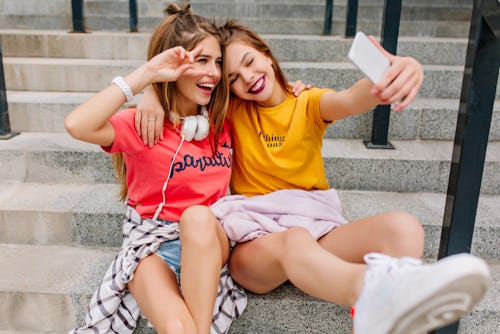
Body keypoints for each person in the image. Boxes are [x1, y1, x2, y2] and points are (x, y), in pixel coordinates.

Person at [136, 19, 491, 334]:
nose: (248, 78)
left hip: (317, 230)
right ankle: (373, 291)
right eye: (233, 78)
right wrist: (152, 93)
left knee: (404, 227)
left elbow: (352, 99)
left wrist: (400, 70)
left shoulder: (307, 104)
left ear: (267, 55)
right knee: (295, 240)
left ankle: (376, 319)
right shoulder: (233, 110)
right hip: (255, 246)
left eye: (250, 62)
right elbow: (190, 86)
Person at [64, 5, 246, 334]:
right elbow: (77, 124)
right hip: (151, 246)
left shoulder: (222, 118)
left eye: (218, 62)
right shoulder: (143, 124)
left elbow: (266, 89)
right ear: (172, 66)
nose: (214, 73)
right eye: (202, 61)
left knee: (198, 216)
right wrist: (146, 79)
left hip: (208, 244)